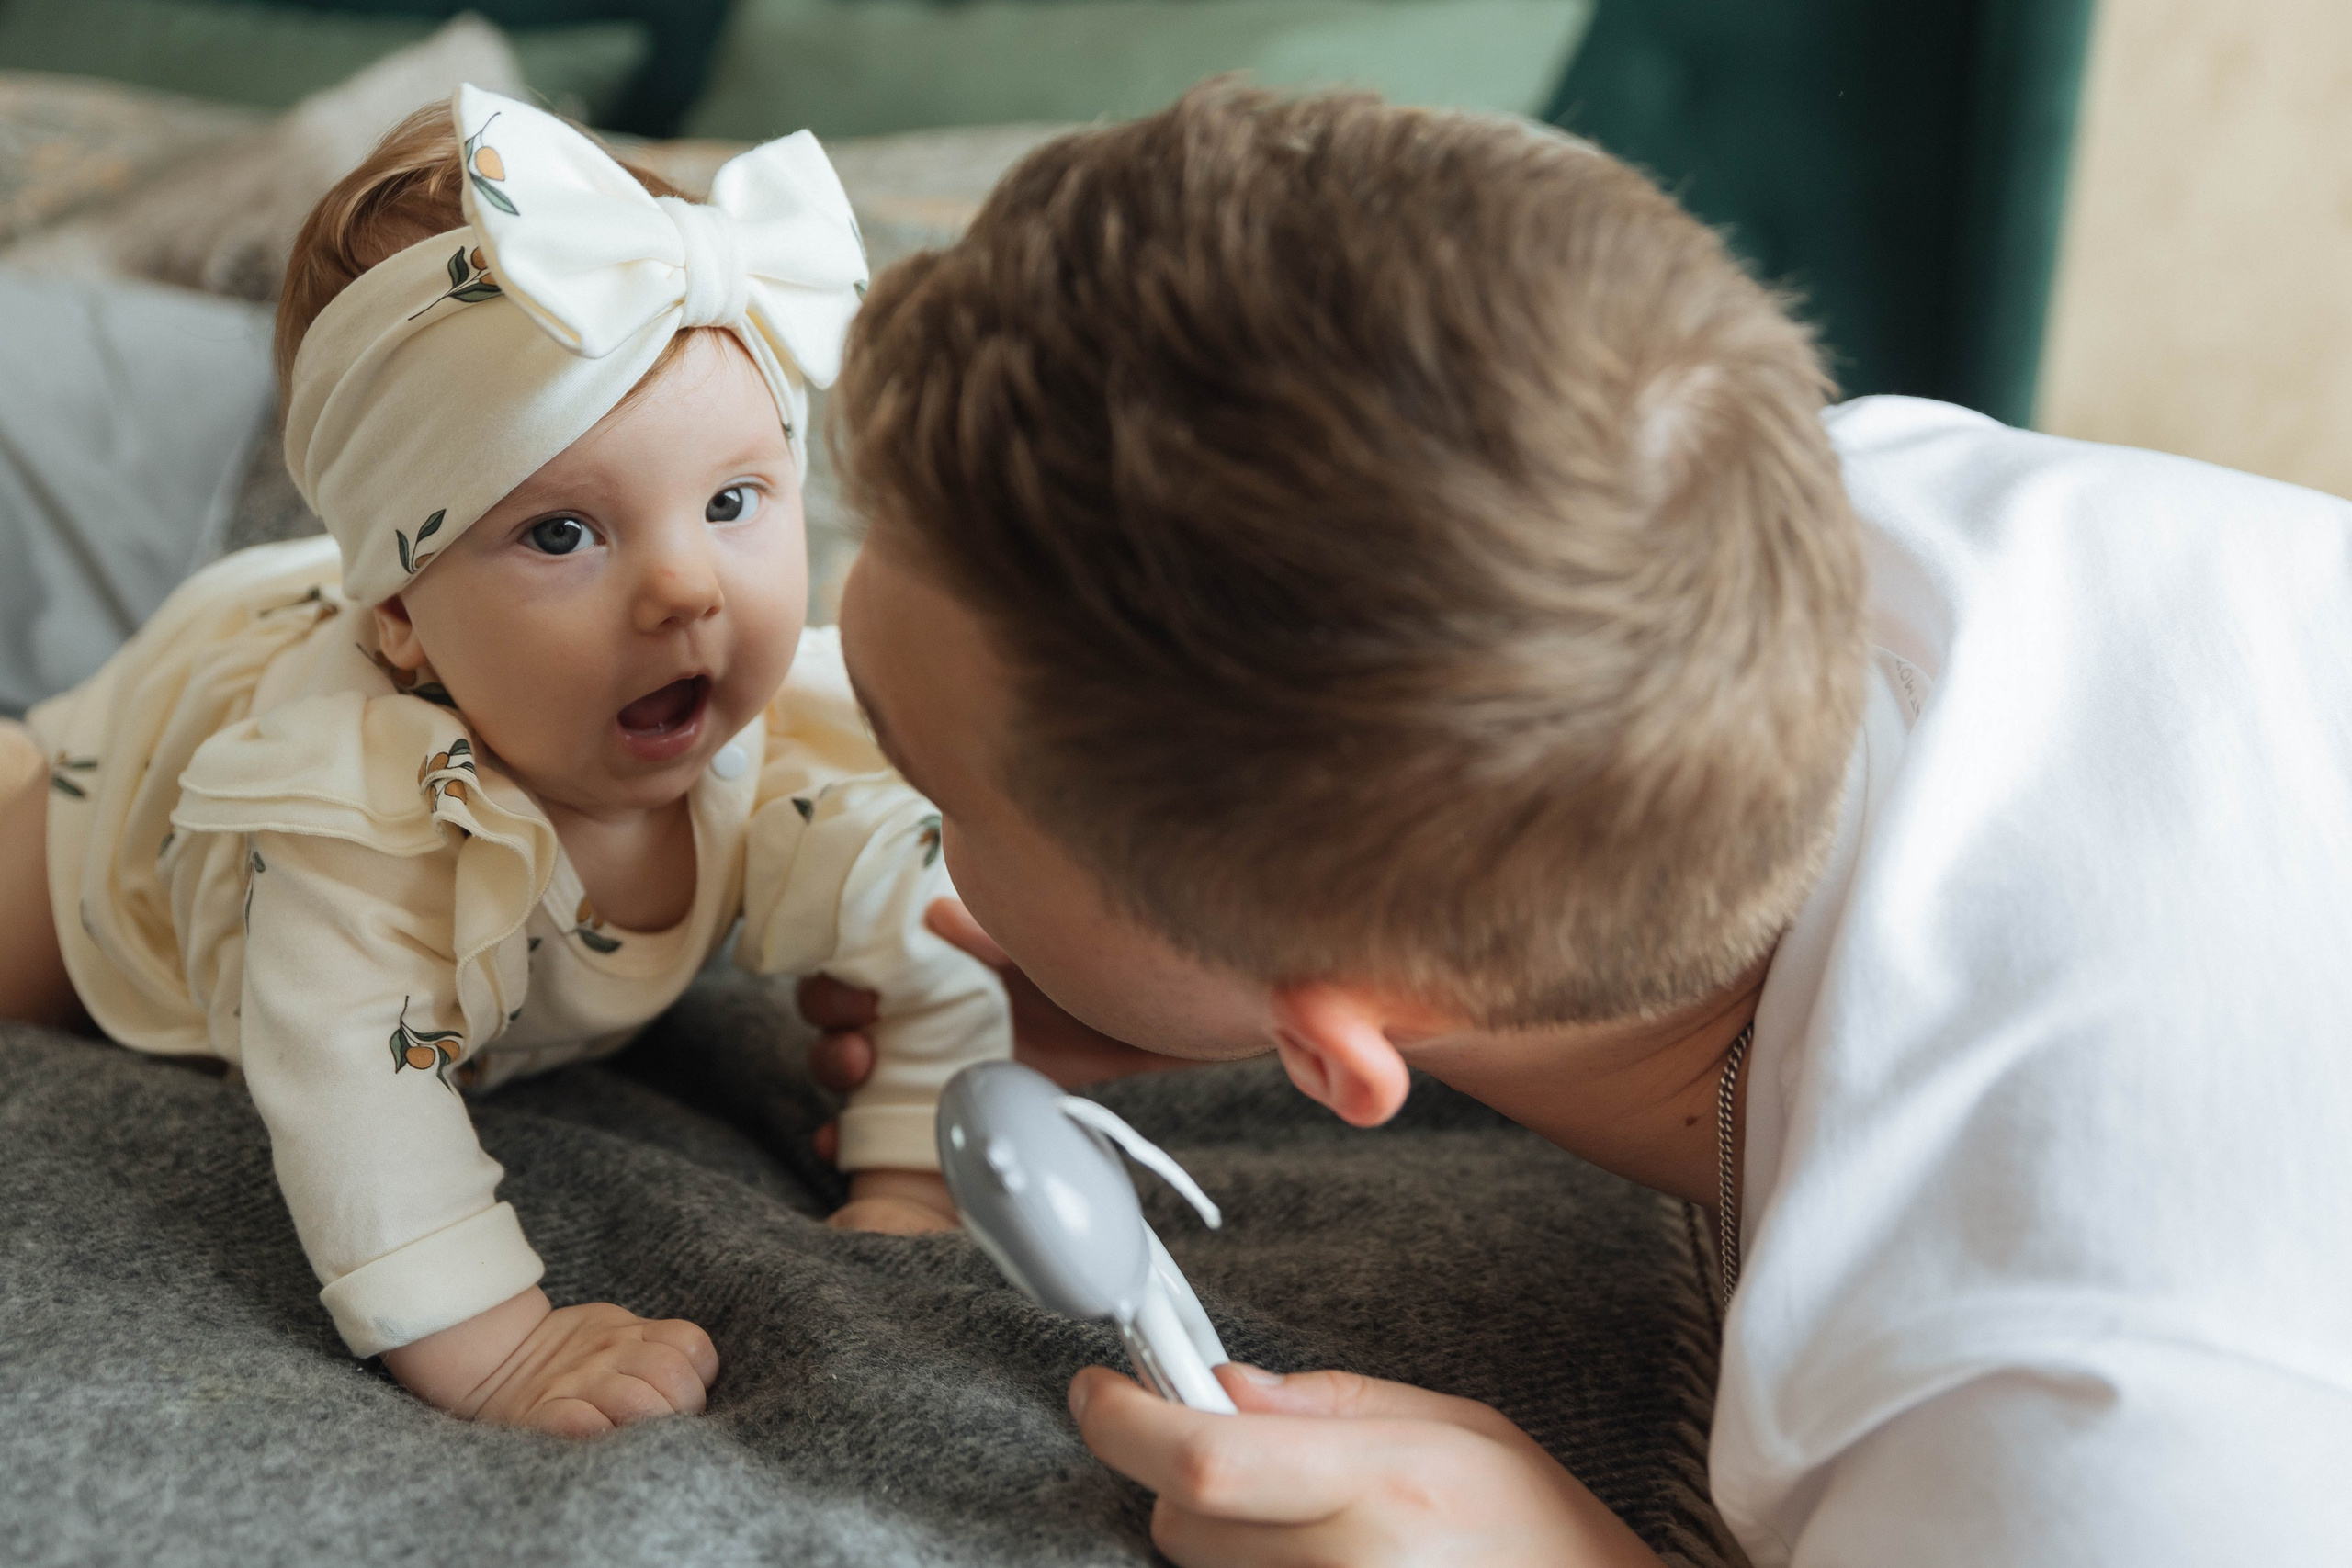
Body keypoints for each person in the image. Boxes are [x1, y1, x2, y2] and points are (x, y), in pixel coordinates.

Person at [798, 84, 2352, 1565]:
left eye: (937, 792)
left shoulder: (2074, 1423)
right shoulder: (1718, 492)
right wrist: (1187, 971)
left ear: (1348, 1037)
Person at [0, 86, 1010, 1434]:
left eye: (729, 502)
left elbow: (925, 944)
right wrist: (501, 1351)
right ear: (405, 619)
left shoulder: (801, 744)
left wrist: (907, 1180)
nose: (684, 589)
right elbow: (351, 1090)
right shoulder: (352, 815)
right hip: (122, 809)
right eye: (560, 535)